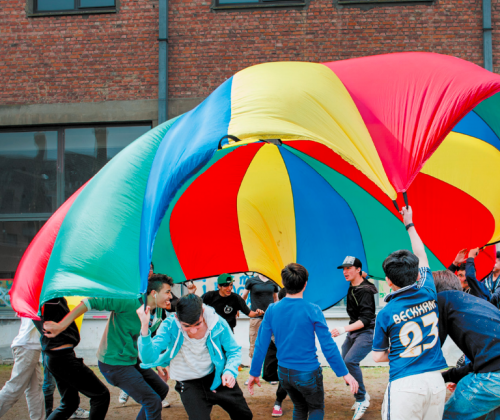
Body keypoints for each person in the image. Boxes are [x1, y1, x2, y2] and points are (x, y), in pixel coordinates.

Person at [43, 274, 172, 420]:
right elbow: (90, 302)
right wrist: (61, 325)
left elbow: (149, 337)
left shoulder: (159, 311)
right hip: (114, 363)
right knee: (152, 401)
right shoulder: (129, 301)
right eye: (167, 292)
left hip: (131, 359)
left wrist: (157, 362)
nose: (170, 296)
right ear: (154, 293)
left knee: (161, 390)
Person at [247, 263, 358, 420]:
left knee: (299, 408)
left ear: (283, 284)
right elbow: (328, 346)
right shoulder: (312, 310)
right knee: (316, 408)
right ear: (305, 284)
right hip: (308, 373)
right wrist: (345, 373)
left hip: (284, 373)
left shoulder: (272, 309)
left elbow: (261, 344)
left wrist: (254, 372)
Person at [372, 206, 448, 420]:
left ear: (388, 280)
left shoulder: (386, 314)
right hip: (436, 383)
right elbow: (422, 255)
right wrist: (409, 223)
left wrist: (405, 351)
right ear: (416, 275)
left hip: (405, 385)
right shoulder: (428, 289)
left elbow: (377, 356)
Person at [137, 294, 253, 420]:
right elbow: (148, 358)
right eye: (186, 326)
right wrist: (144, 327)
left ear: (202, 312)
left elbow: (233, 351)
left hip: (216, 376)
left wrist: (230, 371)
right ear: (177, 317)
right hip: (188, 382)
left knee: (244, 415)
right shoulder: (169, 326)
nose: (193, 331)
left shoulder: (217, 323)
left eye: (197, 324)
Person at [433, 270, 500, 419]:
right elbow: (481, 364)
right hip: (494, 372)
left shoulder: (441, 300)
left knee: (448, 416)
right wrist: (446, 376)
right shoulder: (477, 303)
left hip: (494, 377)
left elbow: (433, 350)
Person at [35, 297, 110, 420]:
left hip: (57, 356)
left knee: (70, 403)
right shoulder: (49, 299)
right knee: (101, 395)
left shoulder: (49, 299)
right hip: (62, 358)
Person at [118, 263, 178, 408]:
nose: (149, 270)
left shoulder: (160, 290)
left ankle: (158, 394)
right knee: (137, 374)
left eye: (151, 268)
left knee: (161, 375)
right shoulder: (133, 295)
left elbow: (175, 302)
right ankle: (128, 389)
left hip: (153, 337)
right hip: (131, 347)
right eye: (146, 267)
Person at [331, 257, 376, 419]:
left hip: (366, 332)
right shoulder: (354, 284)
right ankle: (361, 395)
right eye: (343, 269)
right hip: (354, 331)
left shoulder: (365, 291)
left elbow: (365, 320)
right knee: (343, 362)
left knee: (350, 361)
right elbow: (365, 280)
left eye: (349, 268)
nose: (345, 271)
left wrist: (343, 329)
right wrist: (362, 276)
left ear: (357, 269)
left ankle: (362, 399)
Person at [0, 317, 45, 420]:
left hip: (29, 346)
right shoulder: (37, 302)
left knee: (35, 388)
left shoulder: (30, 302)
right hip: (28, 347)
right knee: (14, 388)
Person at [194, 273, 264, 332]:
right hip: (213, 331)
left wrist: (257, 313)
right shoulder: (210, 296)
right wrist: (192, 293)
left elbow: (249, 313)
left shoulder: (236, 298)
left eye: (231, 285)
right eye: (226, 285)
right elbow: (195, 306)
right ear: (219, 286)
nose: (229, 288)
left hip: (228, 332)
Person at [242, 273, 279, 381]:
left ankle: (271, 375)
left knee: (274, 346)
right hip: (256, 319)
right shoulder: (251, 281)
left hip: (271, 318)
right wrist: (246, 312)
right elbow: (243, 298)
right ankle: (252, 376)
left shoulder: (273, 282)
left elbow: (276, 299)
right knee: (254, 346)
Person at [262, 287, 288, 417]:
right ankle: (290, 382)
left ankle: (278, 402)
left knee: (285, 375)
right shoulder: (272, 309)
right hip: (273, 343)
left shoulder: (296, 311)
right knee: (268, 374)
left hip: (288, 348)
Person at [42, 354, 90, 419]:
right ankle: (47, 413)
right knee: (49, 384)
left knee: (52, 383)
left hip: (58, 352)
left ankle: (48, 414)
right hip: (53, 351)